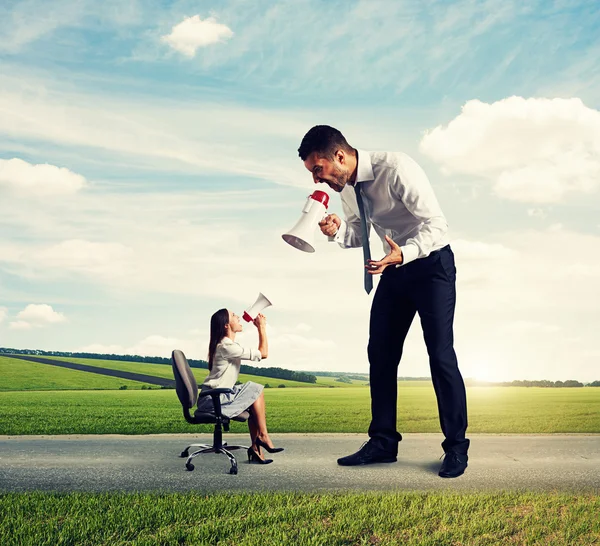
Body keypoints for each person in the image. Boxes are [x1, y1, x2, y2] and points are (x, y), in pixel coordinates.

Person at [297, 125, 469, 478]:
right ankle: (383, 442)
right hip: (394, 269)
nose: (318, 179)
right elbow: (359, 232)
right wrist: (337, 232)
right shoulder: (346, 187)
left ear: (339, 156)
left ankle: (456, 448)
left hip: (432, 264)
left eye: (318, 169)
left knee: (440, 354)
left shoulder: (396, 168)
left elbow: (437, 225)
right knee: (380, 353)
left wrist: (403, 254)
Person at [197, 308, 283, 464]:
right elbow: (263, 353)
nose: (238, 317)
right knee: (255, 389)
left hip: (217, 395)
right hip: (213, 399)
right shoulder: (226, 346)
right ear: (226, 325)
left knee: (255, 394)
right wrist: (261, 327)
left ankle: (257, 449)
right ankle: (262, 437)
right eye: (234, 316)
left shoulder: (227, 345)